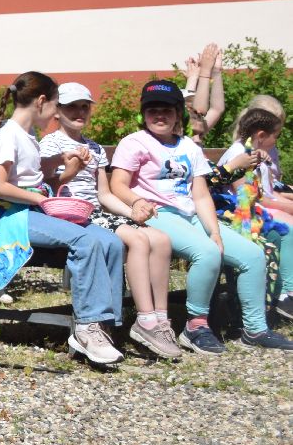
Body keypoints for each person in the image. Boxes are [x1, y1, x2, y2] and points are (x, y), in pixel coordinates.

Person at [110, 79, 293, 353]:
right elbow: (118, 185)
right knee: (207, 253)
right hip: (157, 214)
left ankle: (254, 329)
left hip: (190, 214)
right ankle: (195, 327)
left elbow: (200, 195)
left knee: (252, 255)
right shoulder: (134, 143)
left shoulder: (188, 147)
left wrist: (215, 231)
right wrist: (137, 202)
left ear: (177, 115)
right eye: (152, 110)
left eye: (167, 110)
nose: (159, 116)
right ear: (143, 114)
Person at [0, 72, 127, 366]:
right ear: (41, 102)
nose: (54, 114)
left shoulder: (29, 136)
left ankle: (107, 324)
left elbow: (43, 177)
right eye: (55, 106)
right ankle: (87, 327)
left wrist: (68, 165)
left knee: (112, 242)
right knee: (85, 240)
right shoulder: (9, 133)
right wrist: (40, 198)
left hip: (34, 211)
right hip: (11, 217)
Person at [39, 82, 180, 360]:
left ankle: (159, 318)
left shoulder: (95, 148)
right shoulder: (51, 143)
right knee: (138, 240)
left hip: (96, 211)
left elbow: (103, 193)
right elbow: (48, 183)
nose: (79, 112)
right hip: (69, 212)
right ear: (57, 110)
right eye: (71, 107)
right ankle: (144, 320)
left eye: (84, 107)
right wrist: (71, 168)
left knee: (160, 239)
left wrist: (132, 211)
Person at [212, 106, 293, 323]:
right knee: (288, 231)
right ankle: (287, 294)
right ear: (261, 135)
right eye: (276, 137)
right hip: (240, 214)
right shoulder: (240, 155)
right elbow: (247, 196)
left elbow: (269, 190)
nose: (276, 142)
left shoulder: (256, 153)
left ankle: (283, 293)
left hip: (256, 209)